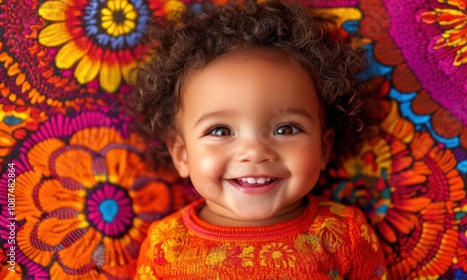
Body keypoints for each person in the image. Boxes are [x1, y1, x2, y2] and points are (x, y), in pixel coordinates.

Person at [132, 0, 387, 278]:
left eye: (286, 129)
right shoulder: (165, 247)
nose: (255, 152)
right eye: (220, 131)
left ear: (323, 148)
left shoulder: (346, 236)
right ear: (181, 154)